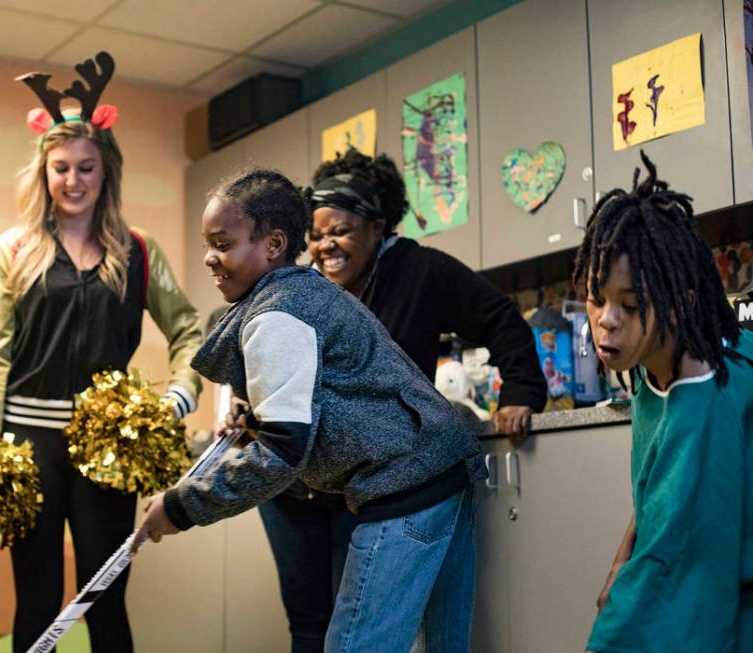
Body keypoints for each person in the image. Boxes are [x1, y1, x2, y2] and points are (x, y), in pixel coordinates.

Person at [133, 168, 487, 652]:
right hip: (446, 475)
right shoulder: (304, 293)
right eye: (207, 245)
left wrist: (180, 506)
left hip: (405, 490)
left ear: (274, 243)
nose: (210, 259)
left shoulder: (276, 315)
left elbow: (281, 454)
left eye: (222, 243)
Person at [252, 147, 545, 651]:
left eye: (340, 231)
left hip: (369, 487)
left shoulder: (421, 271)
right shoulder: (310, 287)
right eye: (317, 236)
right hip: (295, 491)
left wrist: (520, 391)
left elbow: (500, 317)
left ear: (378, 225)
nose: (325, 247)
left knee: (361, 632)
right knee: (309, 629)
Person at [0, 52, 202, 653]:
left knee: (106, 594)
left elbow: (191, 333)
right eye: (61, 167)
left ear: (106, 172)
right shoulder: (13, 249)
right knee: (36, 596)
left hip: (107, 448)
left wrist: (179, 394)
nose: (73, 181)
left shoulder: (139, 250)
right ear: (44, 172)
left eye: (86, 168)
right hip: (27, 441)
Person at [575, 153, 752, 652]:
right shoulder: (660, 362)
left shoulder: (701, 402)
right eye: (595, 297)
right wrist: (623, 555)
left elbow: (679, 569)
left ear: (682, 302)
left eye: (630, 306)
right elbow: (662, 490)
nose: (607, 320)